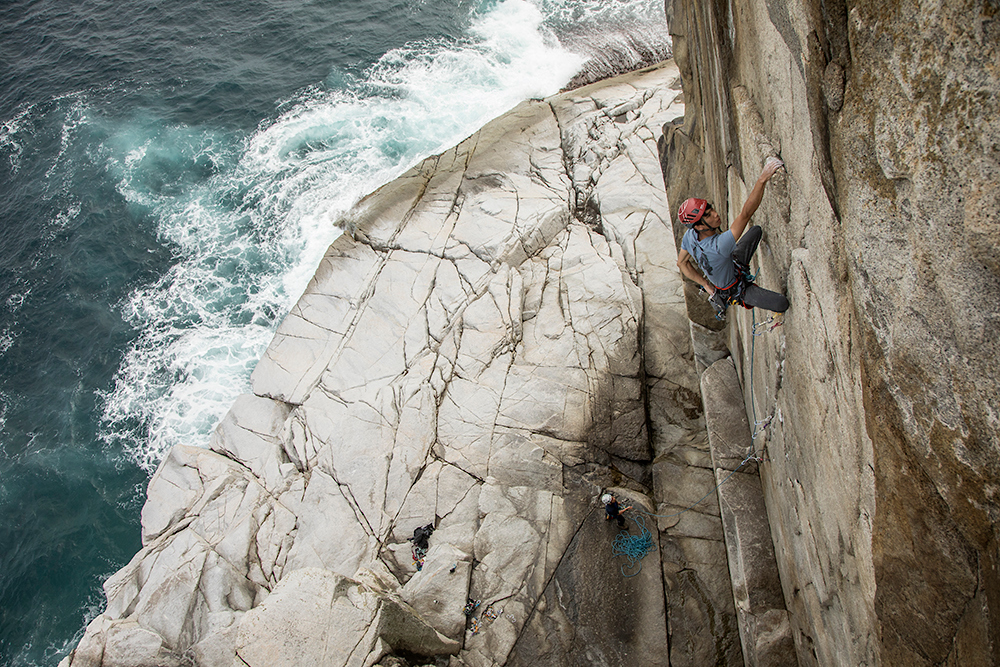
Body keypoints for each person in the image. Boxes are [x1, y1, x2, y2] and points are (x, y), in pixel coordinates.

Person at [675, 157, 789, 319]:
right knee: (781, 304)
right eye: (708, 215)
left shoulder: (690, 236)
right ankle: (746, 289)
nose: (715, 214)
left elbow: (681, 263)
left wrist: (706, 284)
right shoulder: (719, 246)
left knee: (756, 231)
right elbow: (746, 213)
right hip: (737, 290)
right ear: (699, 226)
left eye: (711, 209)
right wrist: (763, 178)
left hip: (732, 263)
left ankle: (736, 267)